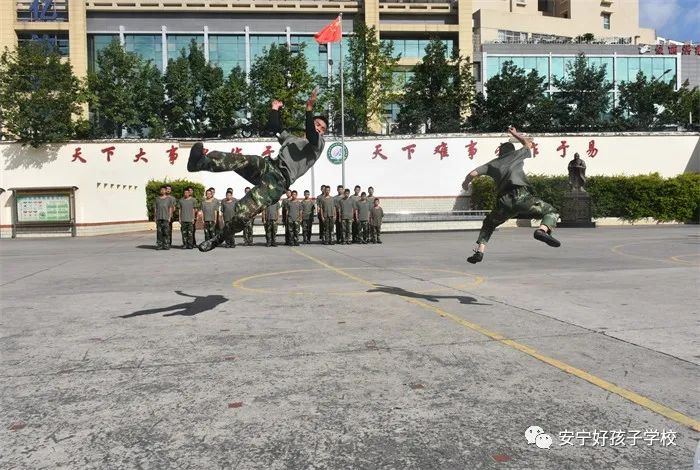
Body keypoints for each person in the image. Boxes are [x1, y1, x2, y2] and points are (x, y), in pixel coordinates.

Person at [188, 89, 327, 252]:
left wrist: (309, 108)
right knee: (247, 160)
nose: (319, 128)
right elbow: (275, 127)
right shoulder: (292, 139)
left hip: (278, 182)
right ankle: (200, 163)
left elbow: (311, 133)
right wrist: (274, 109)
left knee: (242, 214)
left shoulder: (318, 144)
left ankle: (219, 238)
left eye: (322, 128)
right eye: (317, 124)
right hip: (269, 167)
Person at [462, 126, 560, 264]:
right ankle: (542, 231)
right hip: (523, 197)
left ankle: (480, 251)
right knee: (551, 211)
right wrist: (515, 133)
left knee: (489, 223)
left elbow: (472, 173)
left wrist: (465, 183)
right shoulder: (518, 154)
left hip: (504, 203)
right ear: (512, 151)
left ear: (499, 153)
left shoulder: (492, 164)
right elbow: (528, 143)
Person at [154, 185, 174, 250]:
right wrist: (155, 217)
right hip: (159, 218)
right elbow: (155, 208)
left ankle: (166, 245)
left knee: (166, 232)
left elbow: (170, 208)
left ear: (165, 191)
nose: (162, 191)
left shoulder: (169, 199)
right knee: (159, 232)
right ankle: (159, 245)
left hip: (166, 218)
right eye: (161, 190)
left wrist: (169, 217)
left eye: (163, 190)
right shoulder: (157, 199)